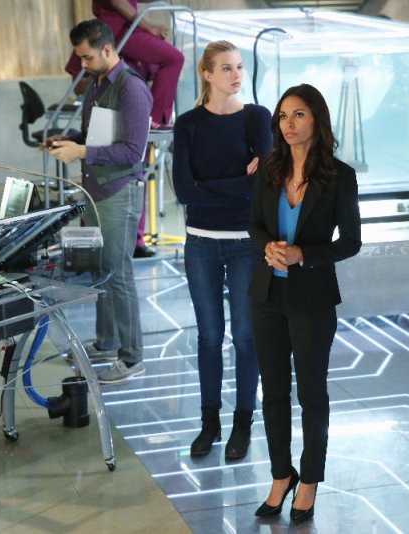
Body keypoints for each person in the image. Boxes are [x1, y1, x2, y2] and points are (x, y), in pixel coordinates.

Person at [249, 84, 361, 522]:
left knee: (311, 393)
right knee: (273, 392)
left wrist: (302, 255)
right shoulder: (269, 168)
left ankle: (310, 479)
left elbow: (350, 242)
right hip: (267, 295)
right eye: (282, 116)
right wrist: (267, 246)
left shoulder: (339, 176)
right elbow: (255, 224)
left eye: (298, 114)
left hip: (312, 298)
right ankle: (281, 475)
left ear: (317, 118)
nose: (288, 124)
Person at [172, 41, 272, 460]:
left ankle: (242, 422)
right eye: (227, 68)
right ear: (207, 74)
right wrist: (238, 184)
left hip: (246, 243)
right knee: (210, 336)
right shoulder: (188, 124)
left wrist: (208, 186)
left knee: (246, 336)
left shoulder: (257, 117)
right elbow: (183, 192)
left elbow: (263, 184)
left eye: (239, 67)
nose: (236, 75)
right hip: (201, 243)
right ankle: (209, 423)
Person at [47, 19, 151, 384]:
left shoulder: (131, 88)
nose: (83, 65)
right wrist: (69, 141)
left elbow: (133, 151)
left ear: (107, 49)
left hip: (119, 191)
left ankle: (132, 357)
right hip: (96, 190)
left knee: (119, 274)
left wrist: (82, 152)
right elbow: (98, 136)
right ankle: (107, 342)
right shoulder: (97, 84)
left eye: (87, 57)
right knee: (102, 269)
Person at [65, 0, 183, 130]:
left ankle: (148, 118)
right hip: (121, 27)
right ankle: (153, 119)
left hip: (122, 27)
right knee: (174, 59)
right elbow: (117, 2)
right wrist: (149, 27)